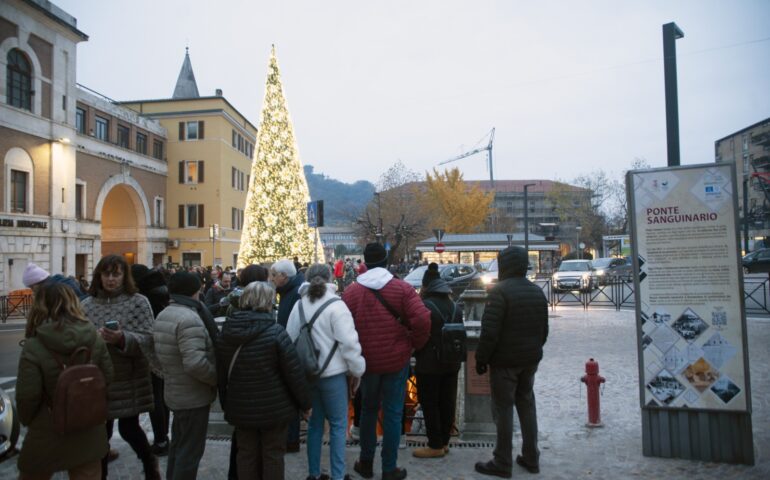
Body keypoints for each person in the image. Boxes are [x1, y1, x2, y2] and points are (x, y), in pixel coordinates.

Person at [342, 243, 431, 480]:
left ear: (365, 262)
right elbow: (422, 319)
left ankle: (366, 462)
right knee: (393, 413)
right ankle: (389, 468)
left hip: (366, 363)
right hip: (395, 361)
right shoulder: (401, 289)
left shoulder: (351, 292)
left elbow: (342, 328)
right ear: (385, 261)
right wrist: (414, 343)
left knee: (368, 412)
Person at [15, 283, 114, 480]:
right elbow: (108, 377)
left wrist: (31, 421)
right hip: (88, 424)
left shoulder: (34, 345)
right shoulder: (93, 336)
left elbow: (27, 396)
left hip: (48, 428)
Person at [217, 281, 311, 480]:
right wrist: (305, 404)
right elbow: (293, 373)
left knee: (246, 454)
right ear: (269, 302)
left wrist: (226, 402)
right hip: (274, 408)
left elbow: (222, 373)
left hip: (240, 406)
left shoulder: (227, 332)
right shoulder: (276, 332)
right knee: (273, 455)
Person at [80, 255, 161, 480]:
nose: (111, 279)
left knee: (129, 428)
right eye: (107, 274)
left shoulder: (138, 302)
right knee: (101, 433)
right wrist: (93, 339)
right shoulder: (86, 305)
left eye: (116, 274)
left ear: (125, 276)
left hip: (129, 378)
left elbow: (148, 338)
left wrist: (122, 338)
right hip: (97, 379)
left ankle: (149, 464)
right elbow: (77, 340)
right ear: (99, 276)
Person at [474, 247, 549, 478]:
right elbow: (544, 330)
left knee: (503, 409)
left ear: (504, 265)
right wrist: (534, 350)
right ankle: (531, 457)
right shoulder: (537, 292)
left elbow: (490, 332)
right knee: (526, 405)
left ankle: (502, 461)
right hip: (529, 361)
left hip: (505, 362)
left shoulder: (500, 292)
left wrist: (481, 358)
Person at [286, 263, 366, 480]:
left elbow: (290, 340)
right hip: (333, 376)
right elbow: (349, 344)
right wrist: (357, 370)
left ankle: (313, 474)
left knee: (314, 426)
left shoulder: (298, 306)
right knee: (339, 426)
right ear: (330, 278)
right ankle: (338, 475)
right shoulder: (336, 306)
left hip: (308, 376)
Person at [154, 271, 218, 480]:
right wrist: (215, 378)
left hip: (175, 392)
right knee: (189, 452)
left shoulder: (165, 314)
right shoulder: (189, 318)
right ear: (195, 290)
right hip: (193, 396)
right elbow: (195, 363)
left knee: (179, 447)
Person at [412, 275, 462, 459]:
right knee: (447, 402)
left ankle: (435, 445)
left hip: (429, 364)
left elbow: (418, 332)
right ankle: (444, 442)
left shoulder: (425, 306)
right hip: (452, 362)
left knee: (429, 403)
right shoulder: (456, 306)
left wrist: (416, 350)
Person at [131, 264, 171, 456]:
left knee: (154, 396)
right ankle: (163, 437)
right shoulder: (161, 290)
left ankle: (161, 439)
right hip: (163, 348)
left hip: (149, 350)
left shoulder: (144, 298)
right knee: (161, 395)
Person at [270, 259, 306, 452]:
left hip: (292, 352)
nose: (272, 279)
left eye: (274, 275)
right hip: (289, 349)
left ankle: (291, 439)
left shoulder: (295, 293)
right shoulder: (289, 290)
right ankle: (289, 437)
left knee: (291, 396)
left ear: (284, 276)